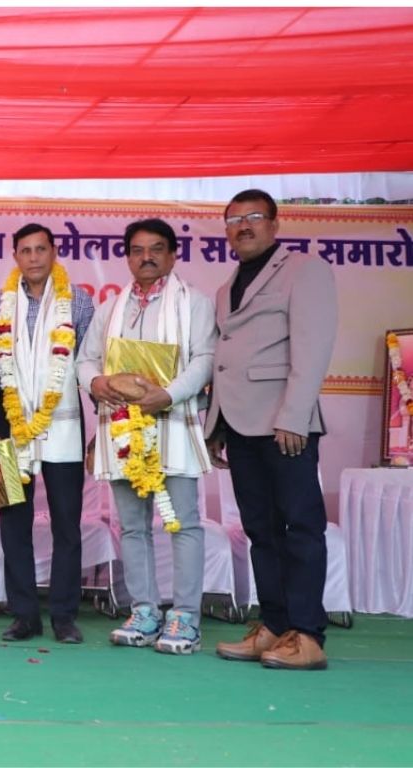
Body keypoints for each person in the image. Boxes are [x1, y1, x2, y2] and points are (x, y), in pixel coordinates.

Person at [208, 189, 337, 671]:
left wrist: (294, 416)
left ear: (275, 224)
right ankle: (274, 625)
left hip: (285, 424)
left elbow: (313, 347)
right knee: (260, 530)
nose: (243, 226)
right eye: (234, 219)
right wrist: (216, 424)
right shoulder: (227, 286)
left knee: (300, 527)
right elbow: (225, 359)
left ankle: (307, 634)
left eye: (254, 216)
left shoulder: (305, 271)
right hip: (240, 425)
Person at [77, 218, 216, 655]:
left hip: (172, 424)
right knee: (132, 526)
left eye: (156, 249)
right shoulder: (110, 308)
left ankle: (186, 617)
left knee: (183, 524)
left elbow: (205, 359)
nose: (147, 257)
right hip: (122, 429)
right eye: (137, 250)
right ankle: (144, 611)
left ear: (173, 255)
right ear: (128, 258)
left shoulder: (194, 303)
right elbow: (85, 360)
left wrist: (168, 395)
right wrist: (98, 383)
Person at [0, 223, 95, 644]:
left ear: (54, 251)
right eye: (24, 250)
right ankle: (24, 615)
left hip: (63, 424)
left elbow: (90, 365)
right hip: (6, 426)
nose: (33, 257)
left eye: (40, 249)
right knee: (12, 522)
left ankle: (64, 617)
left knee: (67, 523)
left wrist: (102, 429)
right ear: (15, 256)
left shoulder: (78, 301)